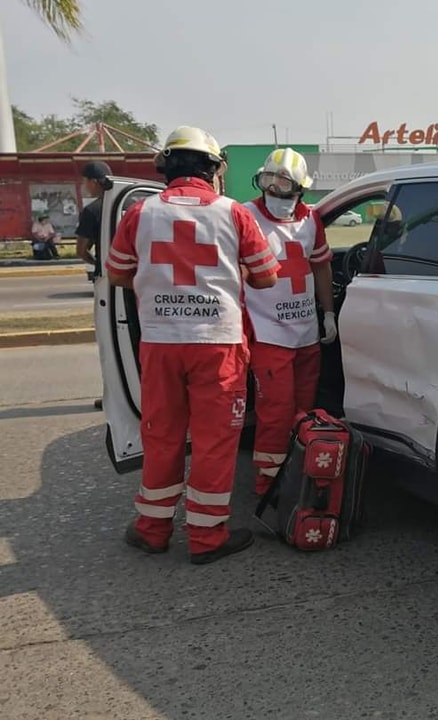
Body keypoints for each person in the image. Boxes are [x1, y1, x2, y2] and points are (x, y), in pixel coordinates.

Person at [105, 126, 280, 564]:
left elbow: (116, 274)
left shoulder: (139, 213)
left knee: (161, 435)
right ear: (213, 168)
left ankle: (152, 529)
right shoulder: (233, 213)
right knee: (214, 441)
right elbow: (267, 276)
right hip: (217, 344)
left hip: (161, 342)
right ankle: (206, 537)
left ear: (166, 167)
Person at [243, 148, 337, 495]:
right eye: (270, 181)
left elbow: (321, 266)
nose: (275, 191)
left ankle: (298, 472)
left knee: (305, 410)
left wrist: (327, 313)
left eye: (284, 184)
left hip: (306, 335)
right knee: (275, 412)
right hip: (268, 334)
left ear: (301, 189)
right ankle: (268, 483)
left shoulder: (310, 220)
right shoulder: (246, 216)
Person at [76, 161, 113, 273]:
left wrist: (99, 264)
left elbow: (81, 251)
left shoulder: (91, 211)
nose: (84, 186)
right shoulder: (129, 203)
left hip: (108, 274)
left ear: (93, 182)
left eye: (85, 181)